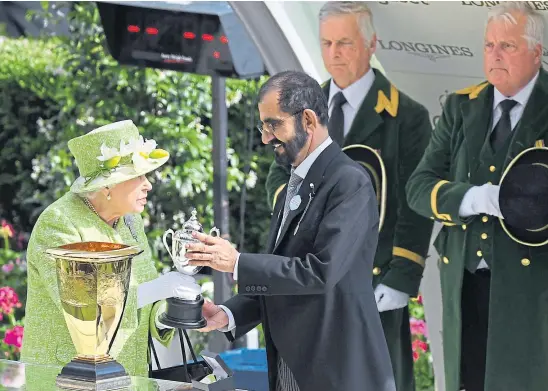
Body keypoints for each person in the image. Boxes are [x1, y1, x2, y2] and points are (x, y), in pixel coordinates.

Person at [184, 71, 396, 391]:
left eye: (274, 124)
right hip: (291, 369)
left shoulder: (349, 182)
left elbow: (320, 272)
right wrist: (227, 314)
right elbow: (282, 276)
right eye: (263, 125)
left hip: (337, 372)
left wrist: (238, 262)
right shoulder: (288, 191)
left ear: (308, 120)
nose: (266, 137)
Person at [266, 3, 433, 390]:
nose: (334, 53)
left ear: (371, 44)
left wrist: (402, 275)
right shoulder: (301, 111)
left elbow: (414, 203)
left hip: (372, 280)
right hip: (310, 273)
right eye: (326, 43)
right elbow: (278, 179)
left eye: (345, 42)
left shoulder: (407, 116)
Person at [405, 3, 548, 391]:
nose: (495, 55)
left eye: (508, 46)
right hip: (467, 282)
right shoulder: (460, 107)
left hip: (532, 289)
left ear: (537, 53)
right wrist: (474, 199)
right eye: (489, 46)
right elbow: (418, 188)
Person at [20, 120, 201, 377]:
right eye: (138, 176)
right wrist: (155, 289)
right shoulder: (59, 223)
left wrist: (170, 311)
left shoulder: (130, 220)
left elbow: (144, 299)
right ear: (107, 185)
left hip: (127, 375)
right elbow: (85, 311)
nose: (148, 184)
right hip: (69, 378)